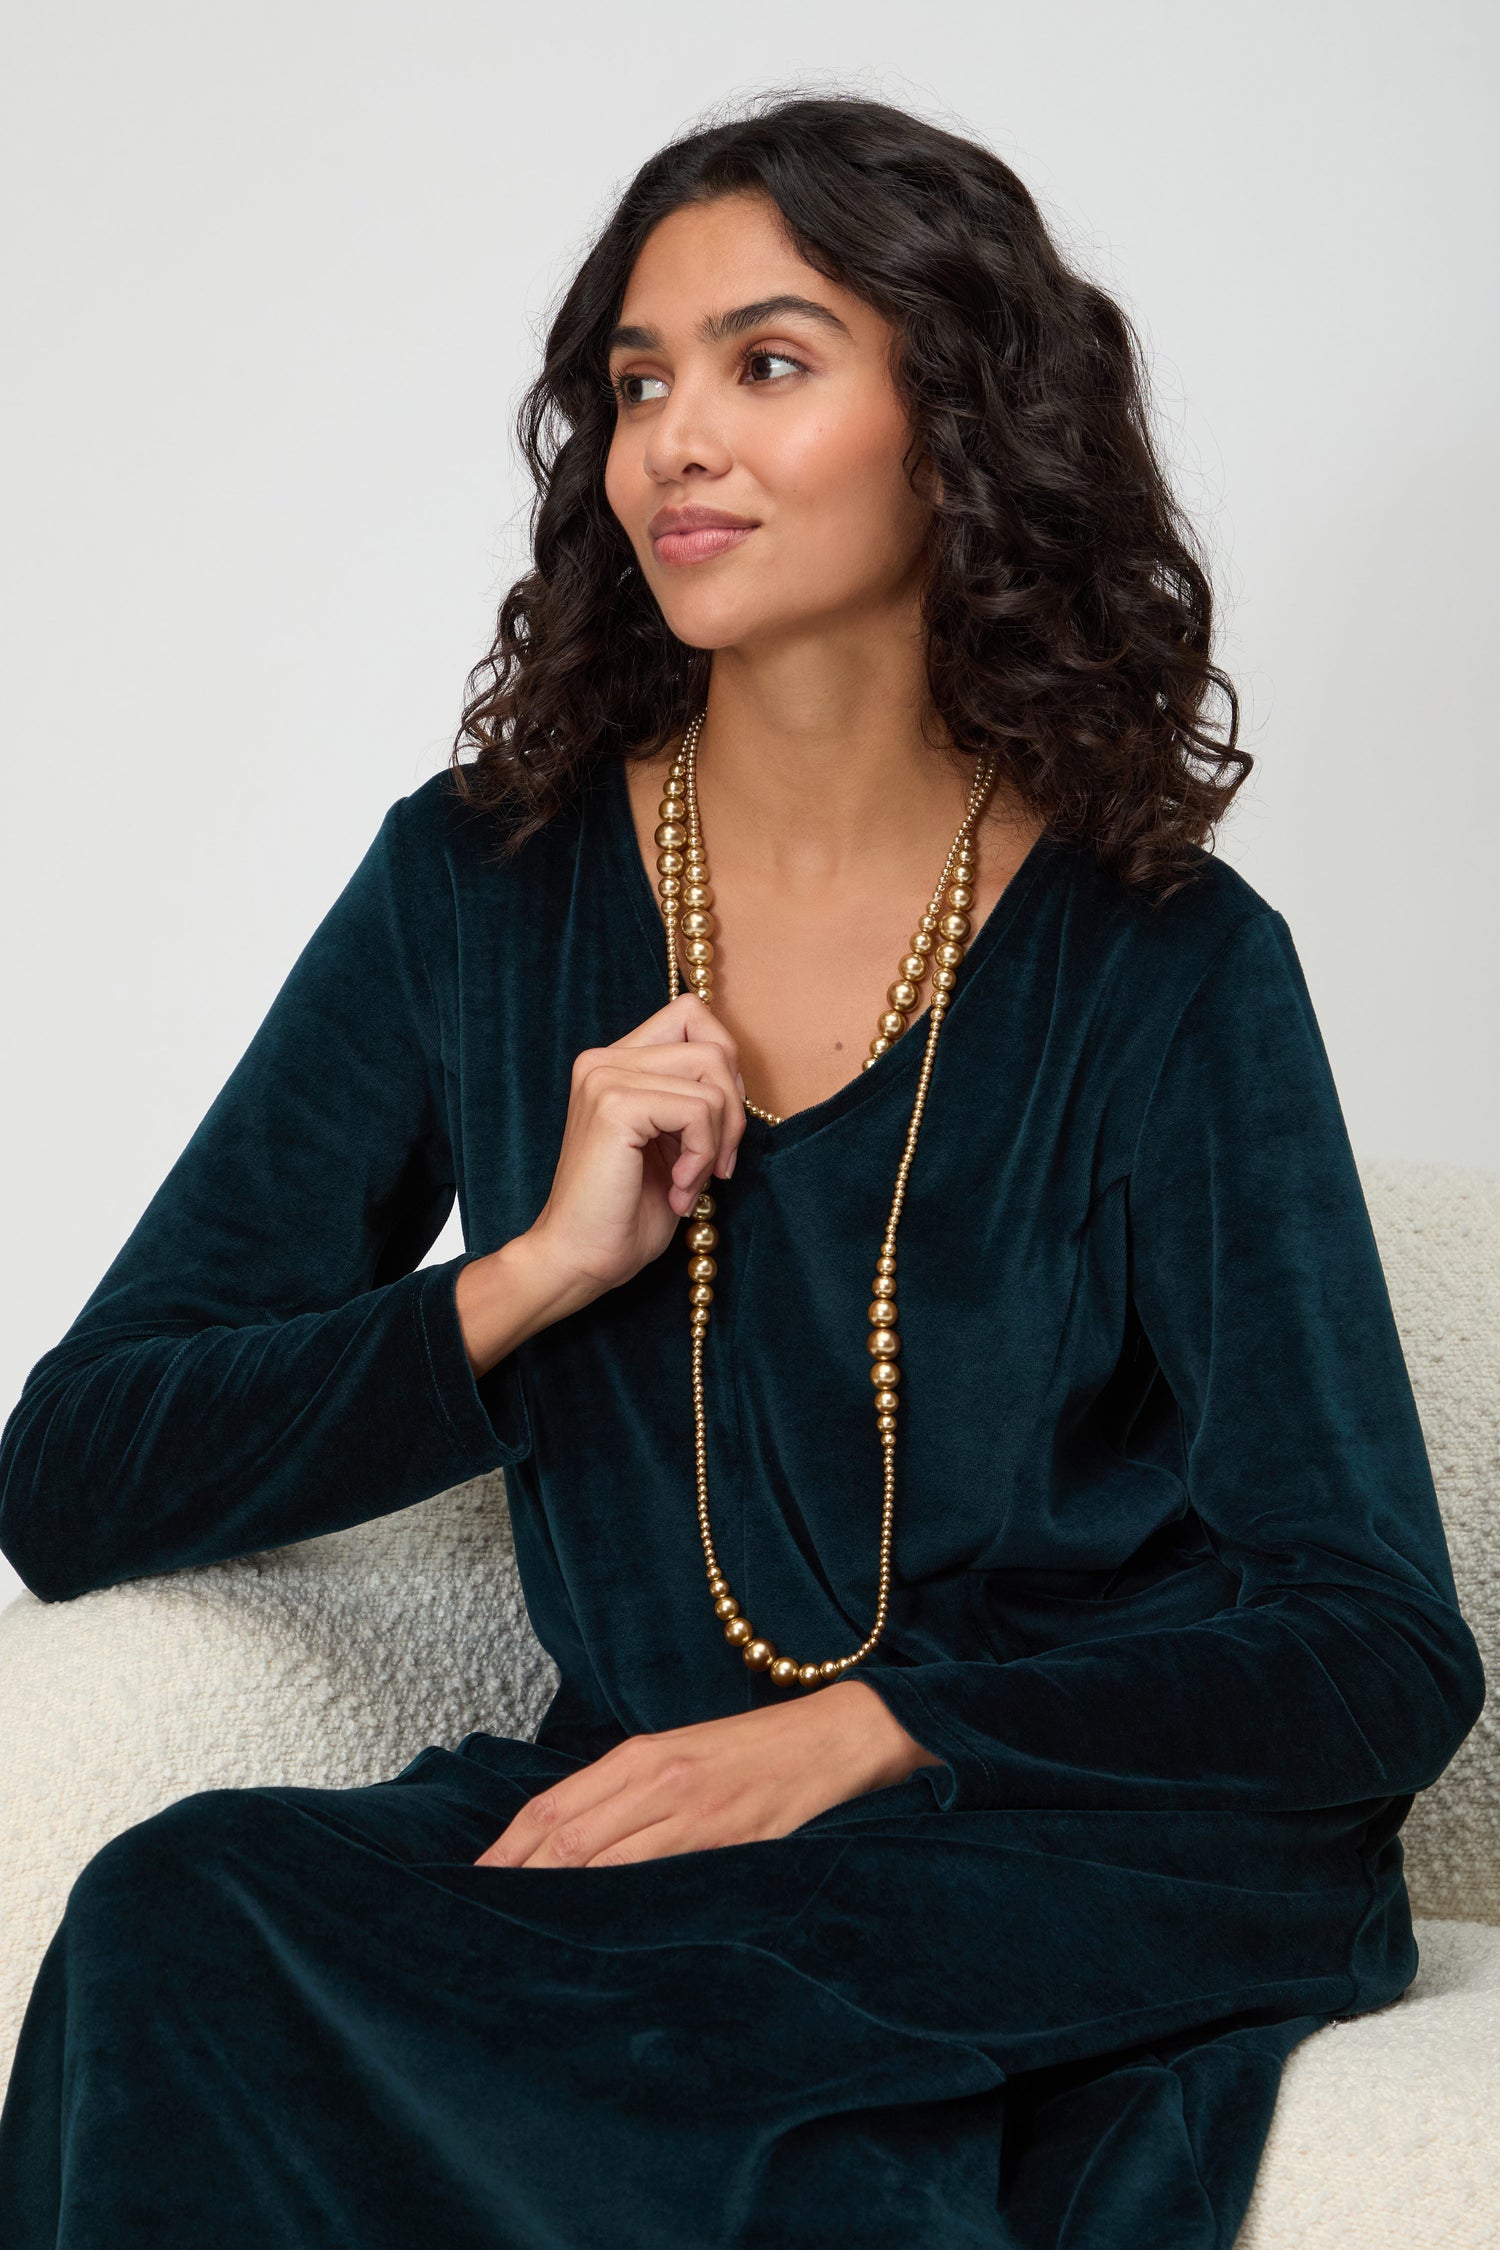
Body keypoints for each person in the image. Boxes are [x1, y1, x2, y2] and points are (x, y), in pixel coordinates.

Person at [0, 90, 1483, 2250]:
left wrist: (872, 1734)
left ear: (958, 430)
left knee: (705, 2051)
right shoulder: (481, 889)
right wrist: (530, 1272)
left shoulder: (1165, 963)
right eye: (635, 384)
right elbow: (72, 1474)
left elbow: (1375, 1645)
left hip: (1057, 1837)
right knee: (178, 1911)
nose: (673, 442)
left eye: (767, 364)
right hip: (661, 1824)